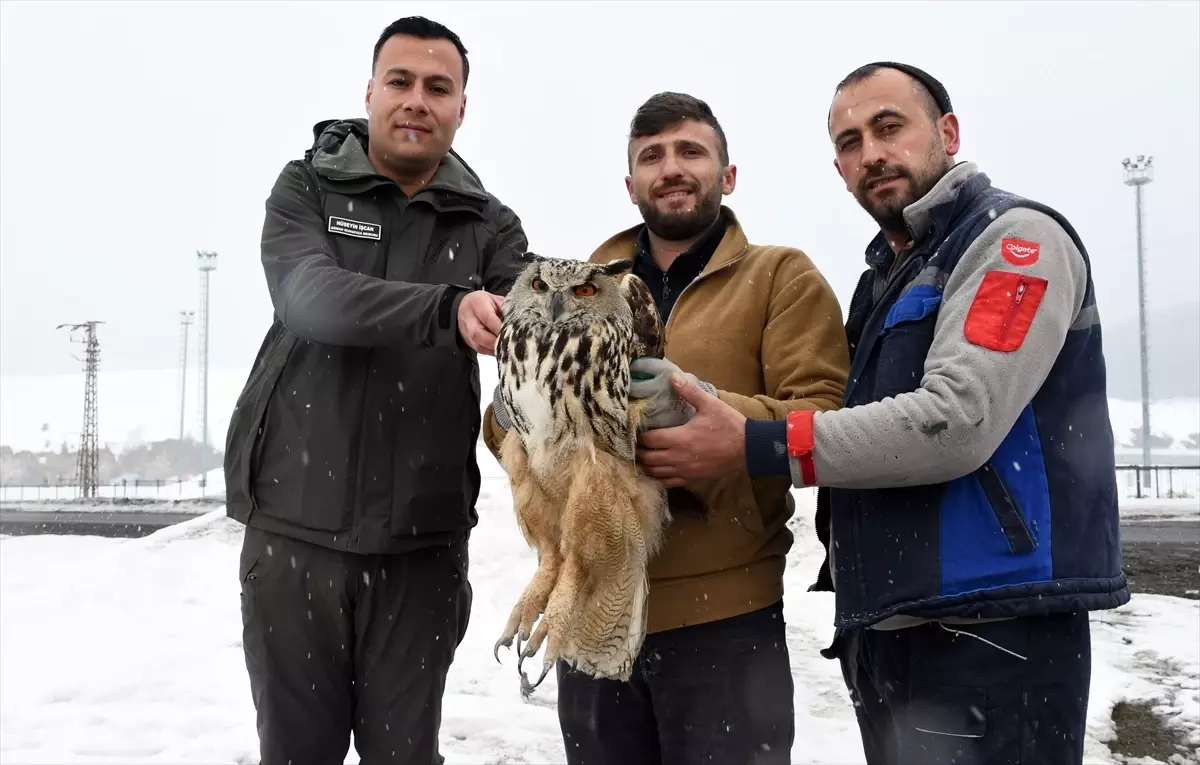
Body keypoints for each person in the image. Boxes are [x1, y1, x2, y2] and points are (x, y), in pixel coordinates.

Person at [635, 63, 1130, 764]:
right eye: (849, 141)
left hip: (995, 630)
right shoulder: (887, 279)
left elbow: (957, 418)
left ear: (948, 132)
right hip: (897, 629)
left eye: (888, 128)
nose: (870, 153)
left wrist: (754, 442)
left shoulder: (1013, 243)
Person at [482, 92, 850, 765]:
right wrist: (510, 408)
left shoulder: (780, 277)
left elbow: (825, 418)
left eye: (690, 151)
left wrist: (712, 411)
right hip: (593, 598)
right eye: (651, 156)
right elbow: (519, 426)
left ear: (728, 175)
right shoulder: (580, 280)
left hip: (724, 619)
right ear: (631, 185)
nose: (671, 168)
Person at [222, 16, 530, 765]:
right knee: (297, 753)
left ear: (462, 108)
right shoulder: (305, 189)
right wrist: (446, 308)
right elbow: (312, 298)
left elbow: (539, 315)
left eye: (438, 87)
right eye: (400, 82)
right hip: (294, 536)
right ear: (369, 93)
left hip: (421, 550)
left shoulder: (487, 225)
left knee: (407, 755)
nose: (416, 100)